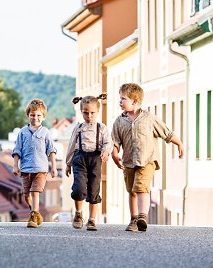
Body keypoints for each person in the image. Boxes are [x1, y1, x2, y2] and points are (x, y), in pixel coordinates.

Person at [112, 83, 184, 232]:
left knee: (141, 187)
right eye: (120, 98)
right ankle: (133, 219)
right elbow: (115, 141)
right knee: (131, 190)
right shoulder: (119, 121)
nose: (120, 102)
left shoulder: (149, 118)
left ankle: (142, 217)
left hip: (147, 160)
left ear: (135, 101)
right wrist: (114, 154)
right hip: (128, 161)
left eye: (123, 99)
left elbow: (167, 133)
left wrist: (179, 144)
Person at [65, 94, 113, 231]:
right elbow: (71, 145)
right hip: (79, 158)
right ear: (81, 112)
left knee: (94, 189)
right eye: (86, 113)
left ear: (97, 111)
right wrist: (68, 163)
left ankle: (92, 220)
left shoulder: (101, 128)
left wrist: (106, 151)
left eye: (92, 113)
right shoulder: (78, 127)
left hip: (95, 159)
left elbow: (108, 142)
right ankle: (79, 213)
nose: (89, 116)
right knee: (79, 187)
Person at [12, 99, 57, 228]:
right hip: (26, 168)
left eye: (38, 115)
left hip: (40, 169)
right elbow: (17, 150)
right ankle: (35, 211)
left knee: (35, 192)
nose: (35, 118)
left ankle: (33, 215)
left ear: (43, 117)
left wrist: (53, 167)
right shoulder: (22, 132)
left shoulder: (45, 133)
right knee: (27, 194)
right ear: (28, 115)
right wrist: (16, 165)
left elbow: (51, 150)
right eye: (32, 115)